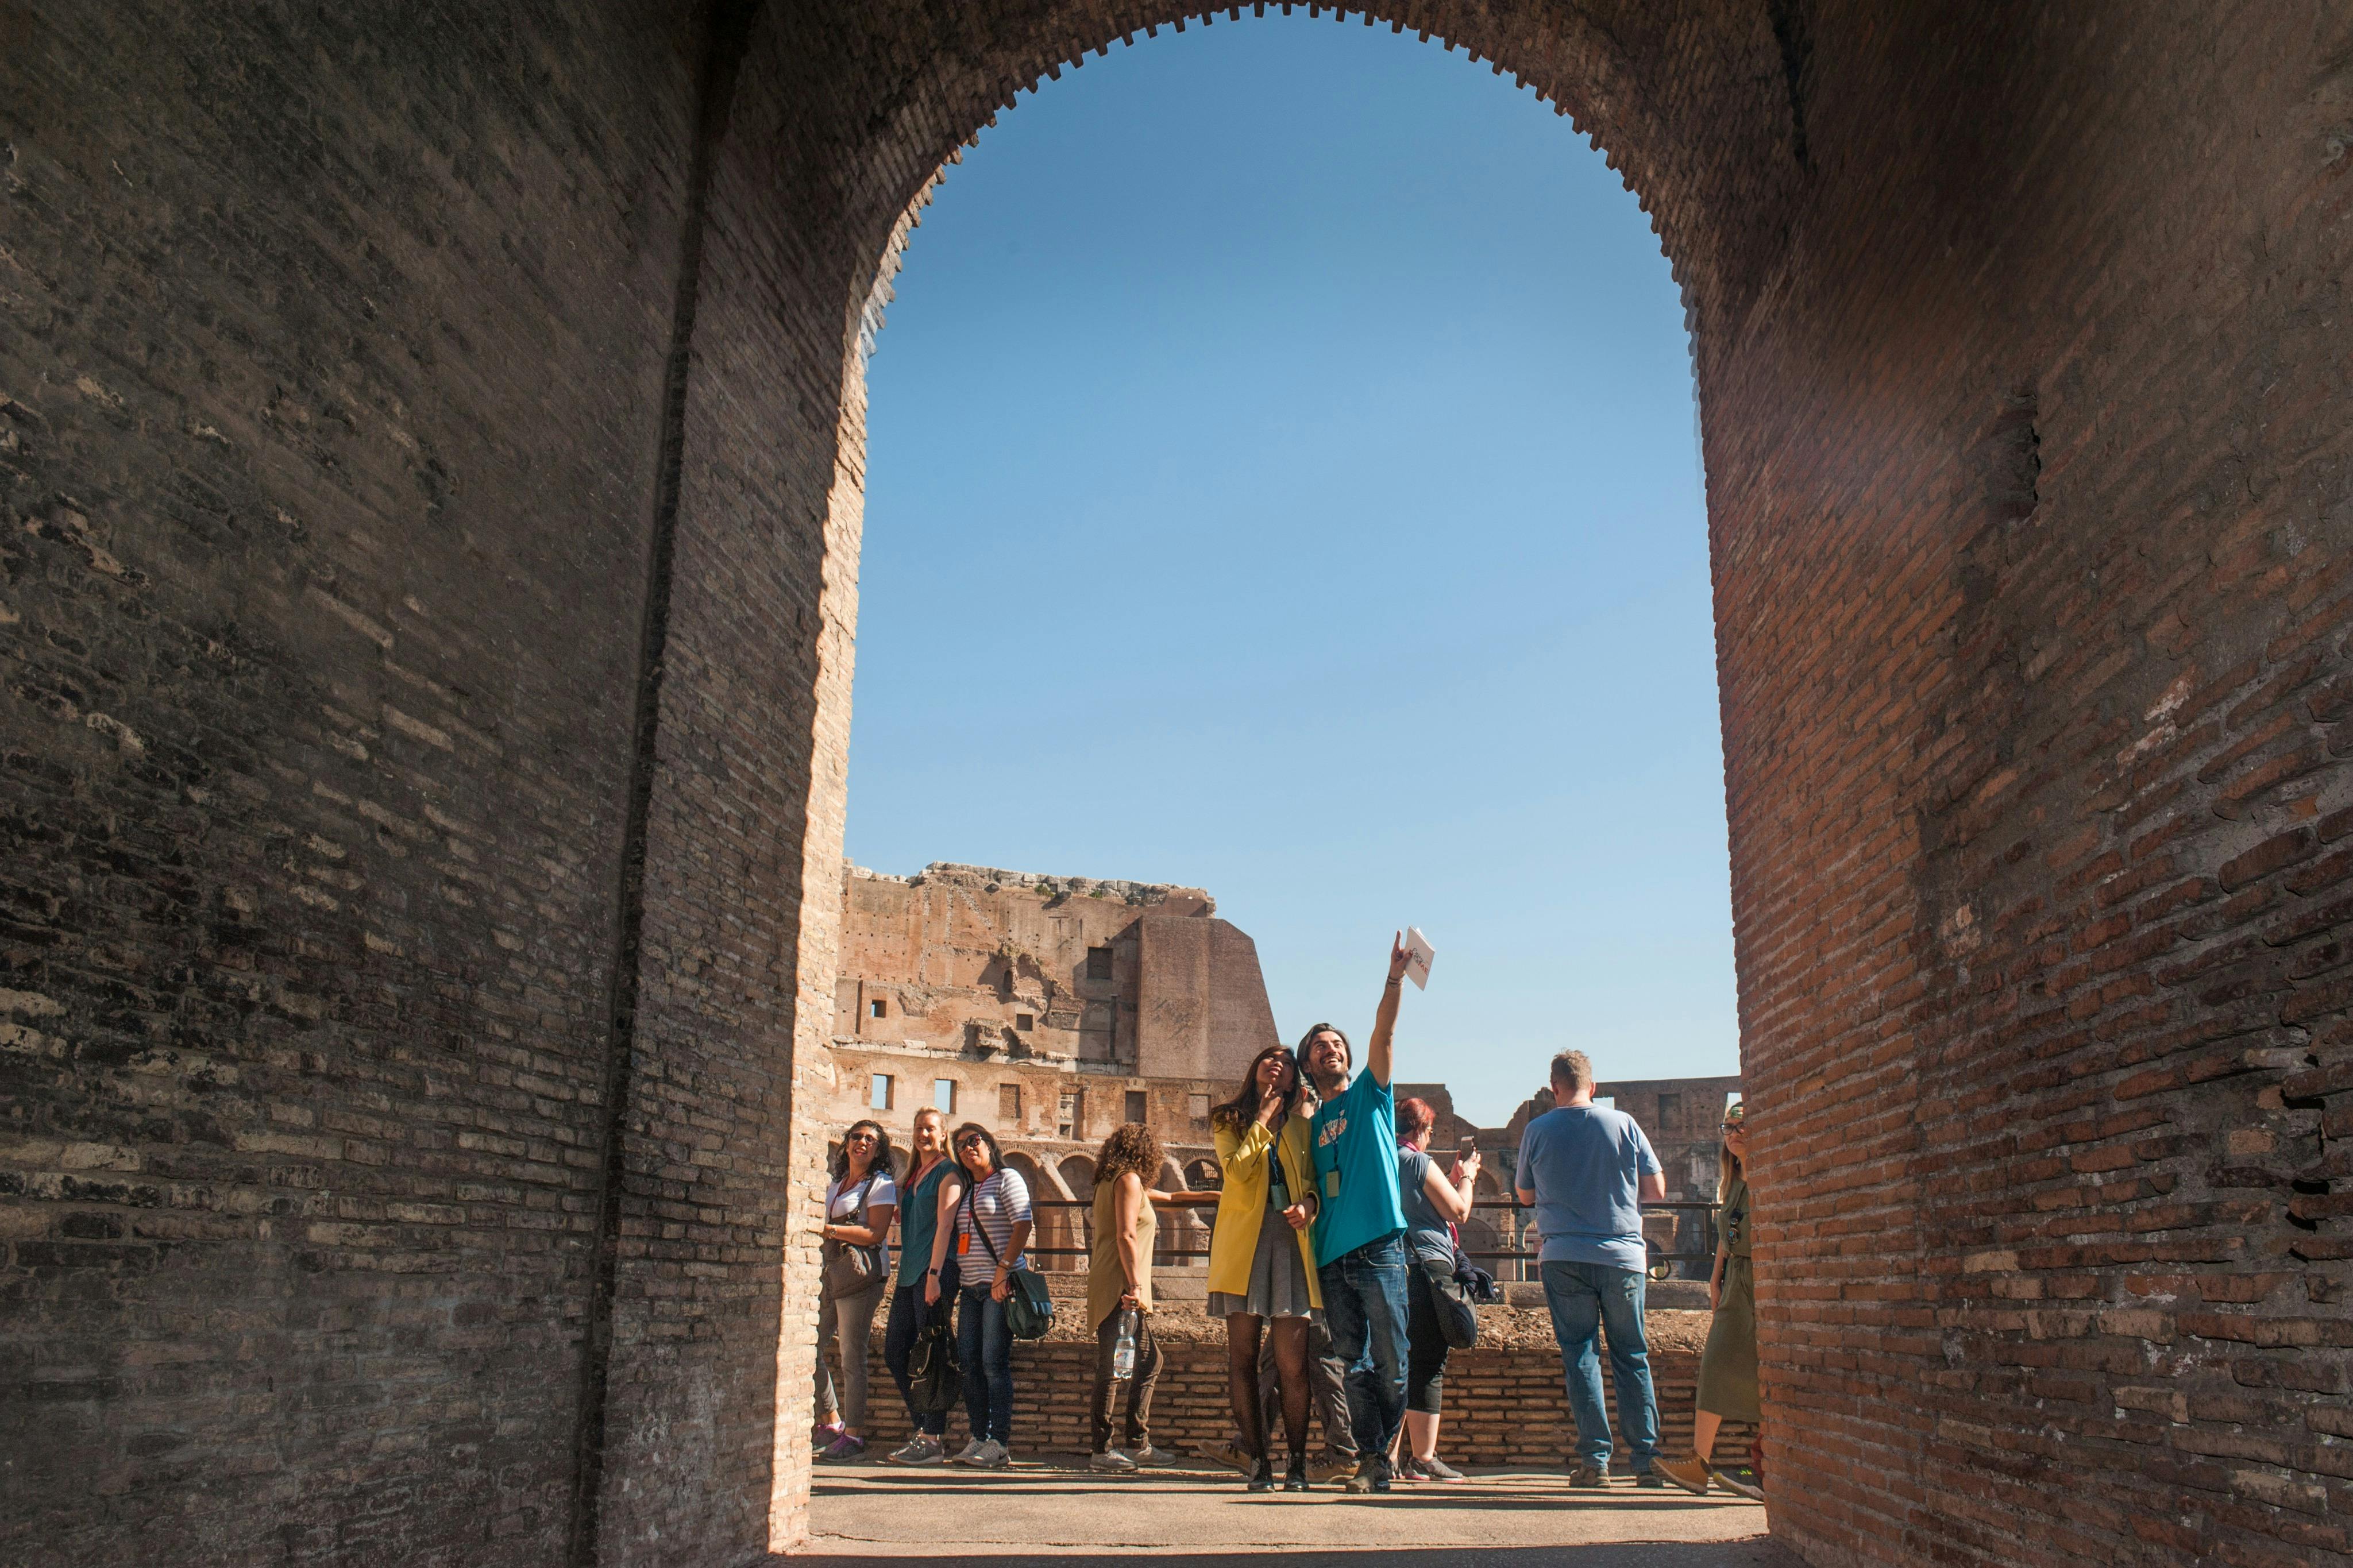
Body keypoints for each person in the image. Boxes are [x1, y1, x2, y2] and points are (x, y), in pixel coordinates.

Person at [1514, 1049, 1666, 1488]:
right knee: (1631, 1355)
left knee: (1581, 1356)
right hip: (1622, 1257)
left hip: (1564, 1257)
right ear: (1593, 1087)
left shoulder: (1537, 1130)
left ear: (1554, 1088)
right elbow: (1656, 1189)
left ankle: (1596, 1462)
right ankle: (1646, 1462)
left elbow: (1525, 1196)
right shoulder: (1625, 1124)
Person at [1301, 934, 1415, 1494]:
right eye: (1319, 1046)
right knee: (1351, 1363)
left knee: (1393, 1362)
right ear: (1308, 1065)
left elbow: (1384, 1033)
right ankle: (1373, 1460)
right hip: (1332, 1257)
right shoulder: (1310, 1126)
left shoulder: (1372, 1093)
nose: (1331, 1049)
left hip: (1378, 1246)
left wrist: (1393, 979)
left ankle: (1380, 1453)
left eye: (1336, 1044)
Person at [1206, 1042, 1324, 1492]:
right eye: (1270, 1058)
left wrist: (1309, 1204)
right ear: (1256, 1068)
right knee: (1243, 1361)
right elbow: (1236, 1173)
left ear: (1294, 1079)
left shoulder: (1303, 1128)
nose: (1278, 1064)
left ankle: (1296, 1463)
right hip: (1243, 1247)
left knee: (1293, 1365)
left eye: (1287, 1062)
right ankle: (1257, 1462)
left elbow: (1312, 1181)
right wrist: (1262, 1120)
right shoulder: (1227, 1120)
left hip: (1290, 1245)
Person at [1658, 1103, 1761, 1499]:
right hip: (1736, 1280)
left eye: (1741, 1125)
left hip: (1762, 1279)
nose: (1733, 1134)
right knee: (1715, 1364)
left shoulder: (1767, 1178)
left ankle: (1765, 1467)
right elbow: (1726, 1235)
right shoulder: (1733, 1181)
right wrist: (1716, 1277)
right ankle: (1699, 1463)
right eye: (1727, 1127)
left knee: (1766, 1373)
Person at [1386, 1096, 1477, 1482]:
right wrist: (1467, 1177)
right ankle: (1422, 1459)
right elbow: (1459, 1211)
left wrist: (1450, 1182)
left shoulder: (1383, 1159)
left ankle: (1386, 1457)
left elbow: (1420, 1205)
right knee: (1426, 1362)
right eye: (1430, 1131)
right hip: (1426, 1267)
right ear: (1421, 1130)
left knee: (1394, 1360)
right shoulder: (1417, 1160)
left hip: (1390, 1266)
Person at [1085, 1123, 1181, 1472]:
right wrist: (1135, 1286)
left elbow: (1172, 1200)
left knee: (1148, 1361)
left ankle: (1136, 1442)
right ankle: (1103, 1449)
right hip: (1120, 1285)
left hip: (1114, 1281)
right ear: (1145, 1154)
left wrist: (1222, 1197)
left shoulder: (1114, 1182)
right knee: (1113, 1367)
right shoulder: (1127, 1181)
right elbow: (1126, 1235)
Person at [946, 1121, 1031, 1468]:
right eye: (961, 1146)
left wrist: (1003, 1270)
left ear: (989, 1144)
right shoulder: (969, 1190)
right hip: (971, 1289)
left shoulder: (1008, 1178)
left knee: (994, 1364)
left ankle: (1000, 1442)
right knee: (969, 1364)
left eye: (974, 1140)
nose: (968, 1148)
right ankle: (979, 1436)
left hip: (1000, 1287)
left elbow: (1023, 1224)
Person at [813, 1119, 898, 1462]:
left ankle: (855, 1435)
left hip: (861, 1277)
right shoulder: (836, 1183)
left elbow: (876, 1233)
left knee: (851, 1356)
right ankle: (832, 1420)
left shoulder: (881, 1184)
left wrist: (830, 1230)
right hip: (832, 1272)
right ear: (847, 1143)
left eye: (871, 1140)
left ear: (879, 1150)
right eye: (857, 1137)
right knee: (811, 1346)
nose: (862, 1143)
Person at [882, 1107, 958, 1464]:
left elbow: (946, 1226)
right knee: (895, 1351)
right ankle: (923, 1428)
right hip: (910, 1273)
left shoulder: (949, 1172)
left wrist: (935, 1275)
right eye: (918, 1128)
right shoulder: (915, 1173)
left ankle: (932, 1437)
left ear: (943, 1134)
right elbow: (897, 1196)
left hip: (934, 1272)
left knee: (932, 1355)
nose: (923, 1134)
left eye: (930, 1129)